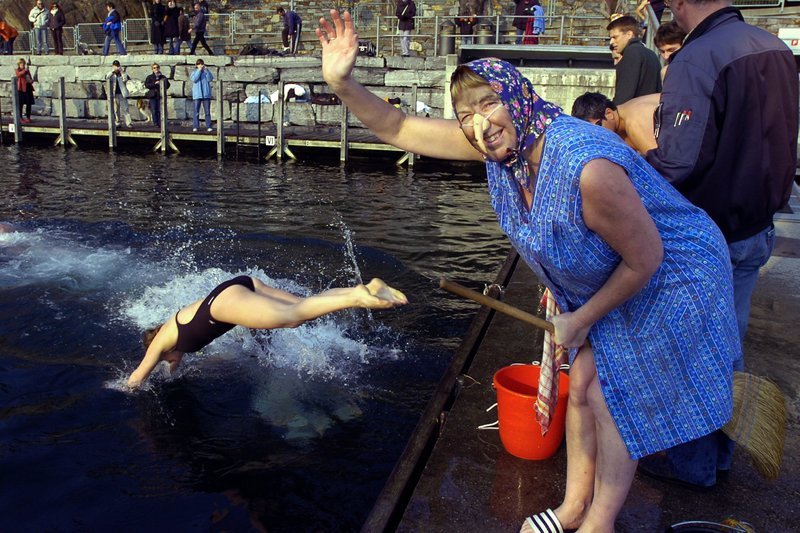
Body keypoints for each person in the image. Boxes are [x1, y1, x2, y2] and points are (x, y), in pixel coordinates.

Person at [316, 11, 739, 532]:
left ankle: (598, 523)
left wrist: (582, 317)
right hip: (622, 271)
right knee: (580, 384)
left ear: (515, 97)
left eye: (489, 102)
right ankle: (571, 506)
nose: (478, 123)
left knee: (612, 397)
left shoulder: (586, 168)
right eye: (465, 112)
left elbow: (647, 259)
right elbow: (398, 126)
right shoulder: (500, 151)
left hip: (676, 274)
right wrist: (343, 83)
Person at [644, 0, 799, 489]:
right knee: (728, 342)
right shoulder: (774, 47)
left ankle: (692, 464)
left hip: (709, 234)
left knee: (694, 349)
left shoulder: (698, 56)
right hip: (758, 226)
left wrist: (634, 159)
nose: (672, 12)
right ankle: (722, 452)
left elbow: (680, 163)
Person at [126, 276, 407, 388]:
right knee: (302, 305)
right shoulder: (173, 335)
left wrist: (120, 389)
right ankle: (369, 287)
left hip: (223, 303)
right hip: (240, 284)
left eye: (165, 360)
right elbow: (175, 367)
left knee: (292, 318)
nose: (170, 362)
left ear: (159, 349)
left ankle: (358, 297)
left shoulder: (161, 341)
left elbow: (137, 376)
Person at [571, 92, 659, 154]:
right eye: (592, 133)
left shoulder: (635, 121)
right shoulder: (620, 128)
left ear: (609, 114)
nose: (598, 135)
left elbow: (663, 166)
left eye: (598, 127)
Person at [607, 14, 661, 104]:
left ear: (629, 34)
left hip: (634, 114)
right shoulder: (651, 53)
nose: (612, 42)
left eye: (615, 37)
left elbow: (624, 95)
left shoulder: (632, 52)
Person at [106, 60, 132, 128]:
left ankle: (129, 123)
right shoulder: (111, 74)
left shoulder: (122, 73)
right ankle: (117, 122)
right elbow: (107, 77)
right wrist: (113, 71)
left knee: (125, 108)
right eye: (115, 66)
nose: (116, 67)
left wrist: (122, 71)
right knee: (116, 109)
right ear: (113, 66)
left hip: (122, 94)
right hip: (114, 94)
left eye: (117, 66)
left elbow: (125, 79)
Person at [190, 58, 213, 132]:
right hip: (197, 95)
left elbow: (210, 79)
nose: (200, 65)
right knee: (196, 112)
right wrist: (199, 71)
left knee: (207, 112)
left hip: (206, 95)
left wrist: (207, 70)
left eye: (201, 64)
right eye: (198, 64)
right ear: (196, 65)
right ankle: (195, 126)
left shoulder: (206, 72)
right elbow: (194, 79)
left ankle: (209, 126)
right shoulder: (194, 72)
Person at [144, 63, 170, 128]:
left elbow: (168, 85)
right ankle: (155, 123)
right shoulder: (149, 77)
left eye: (157, 67)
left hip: (160, 95)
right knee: (154, 109)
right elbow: (147, 85)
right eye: (154, 68)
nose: (156, 69)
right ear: (152, 69)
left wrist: (162, 83)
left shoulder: (162, 77)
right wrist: (154, 84)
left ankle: (160, 123)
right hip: (153, 96)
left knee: (160, 110)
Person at [15, 58, 35, 124]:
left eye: (23, 65)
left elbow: (30, 78)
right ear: (19, 65)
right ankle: (20, 117)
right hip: (21, 89)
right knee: (21, 104)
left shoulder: (27, 71)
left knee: (29, 103)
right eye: (21, 65)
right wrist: (24, 71)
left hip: (28, 88)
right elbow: (18, 74)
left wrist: (31, 81)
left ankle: (28, 117)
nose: (23, 66)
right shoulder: (18, 70)